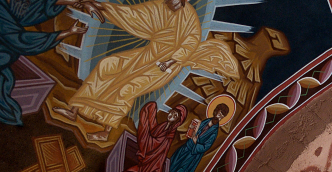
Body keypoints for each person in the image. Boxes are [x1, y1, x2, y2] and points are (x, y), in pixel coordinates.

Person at [56, 0, 238, 143]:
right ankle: (74, 109)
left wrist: (169, 62)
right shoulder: (161, 6)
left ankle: (106, 130)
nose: (169, 2)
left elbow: (189, 44)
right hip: (147, 55)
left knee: (128, 89)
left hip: (166, 66)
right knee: (107, 66)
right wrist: (101, 7)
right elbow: (133, 15)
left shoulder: (189, 18)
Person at [0, 0, 89, 126]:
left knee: (7, 54)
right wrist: (66, 33)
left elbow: (28, 14)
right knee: (6, 54)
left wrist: (69, 2)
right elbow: (17, 38)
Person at [168, 103, 229, 172]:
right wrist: (191, 128)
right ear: (216, 111)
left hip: (192, 155)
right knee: (171, 166)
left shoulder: (214, 132)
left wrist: (196, 142)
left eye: (222, 116)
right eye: (219, 113)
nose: (219, 117)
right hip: (185, 148)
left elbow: (205, 147)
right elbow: (193, 132)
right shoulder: (204, 122)